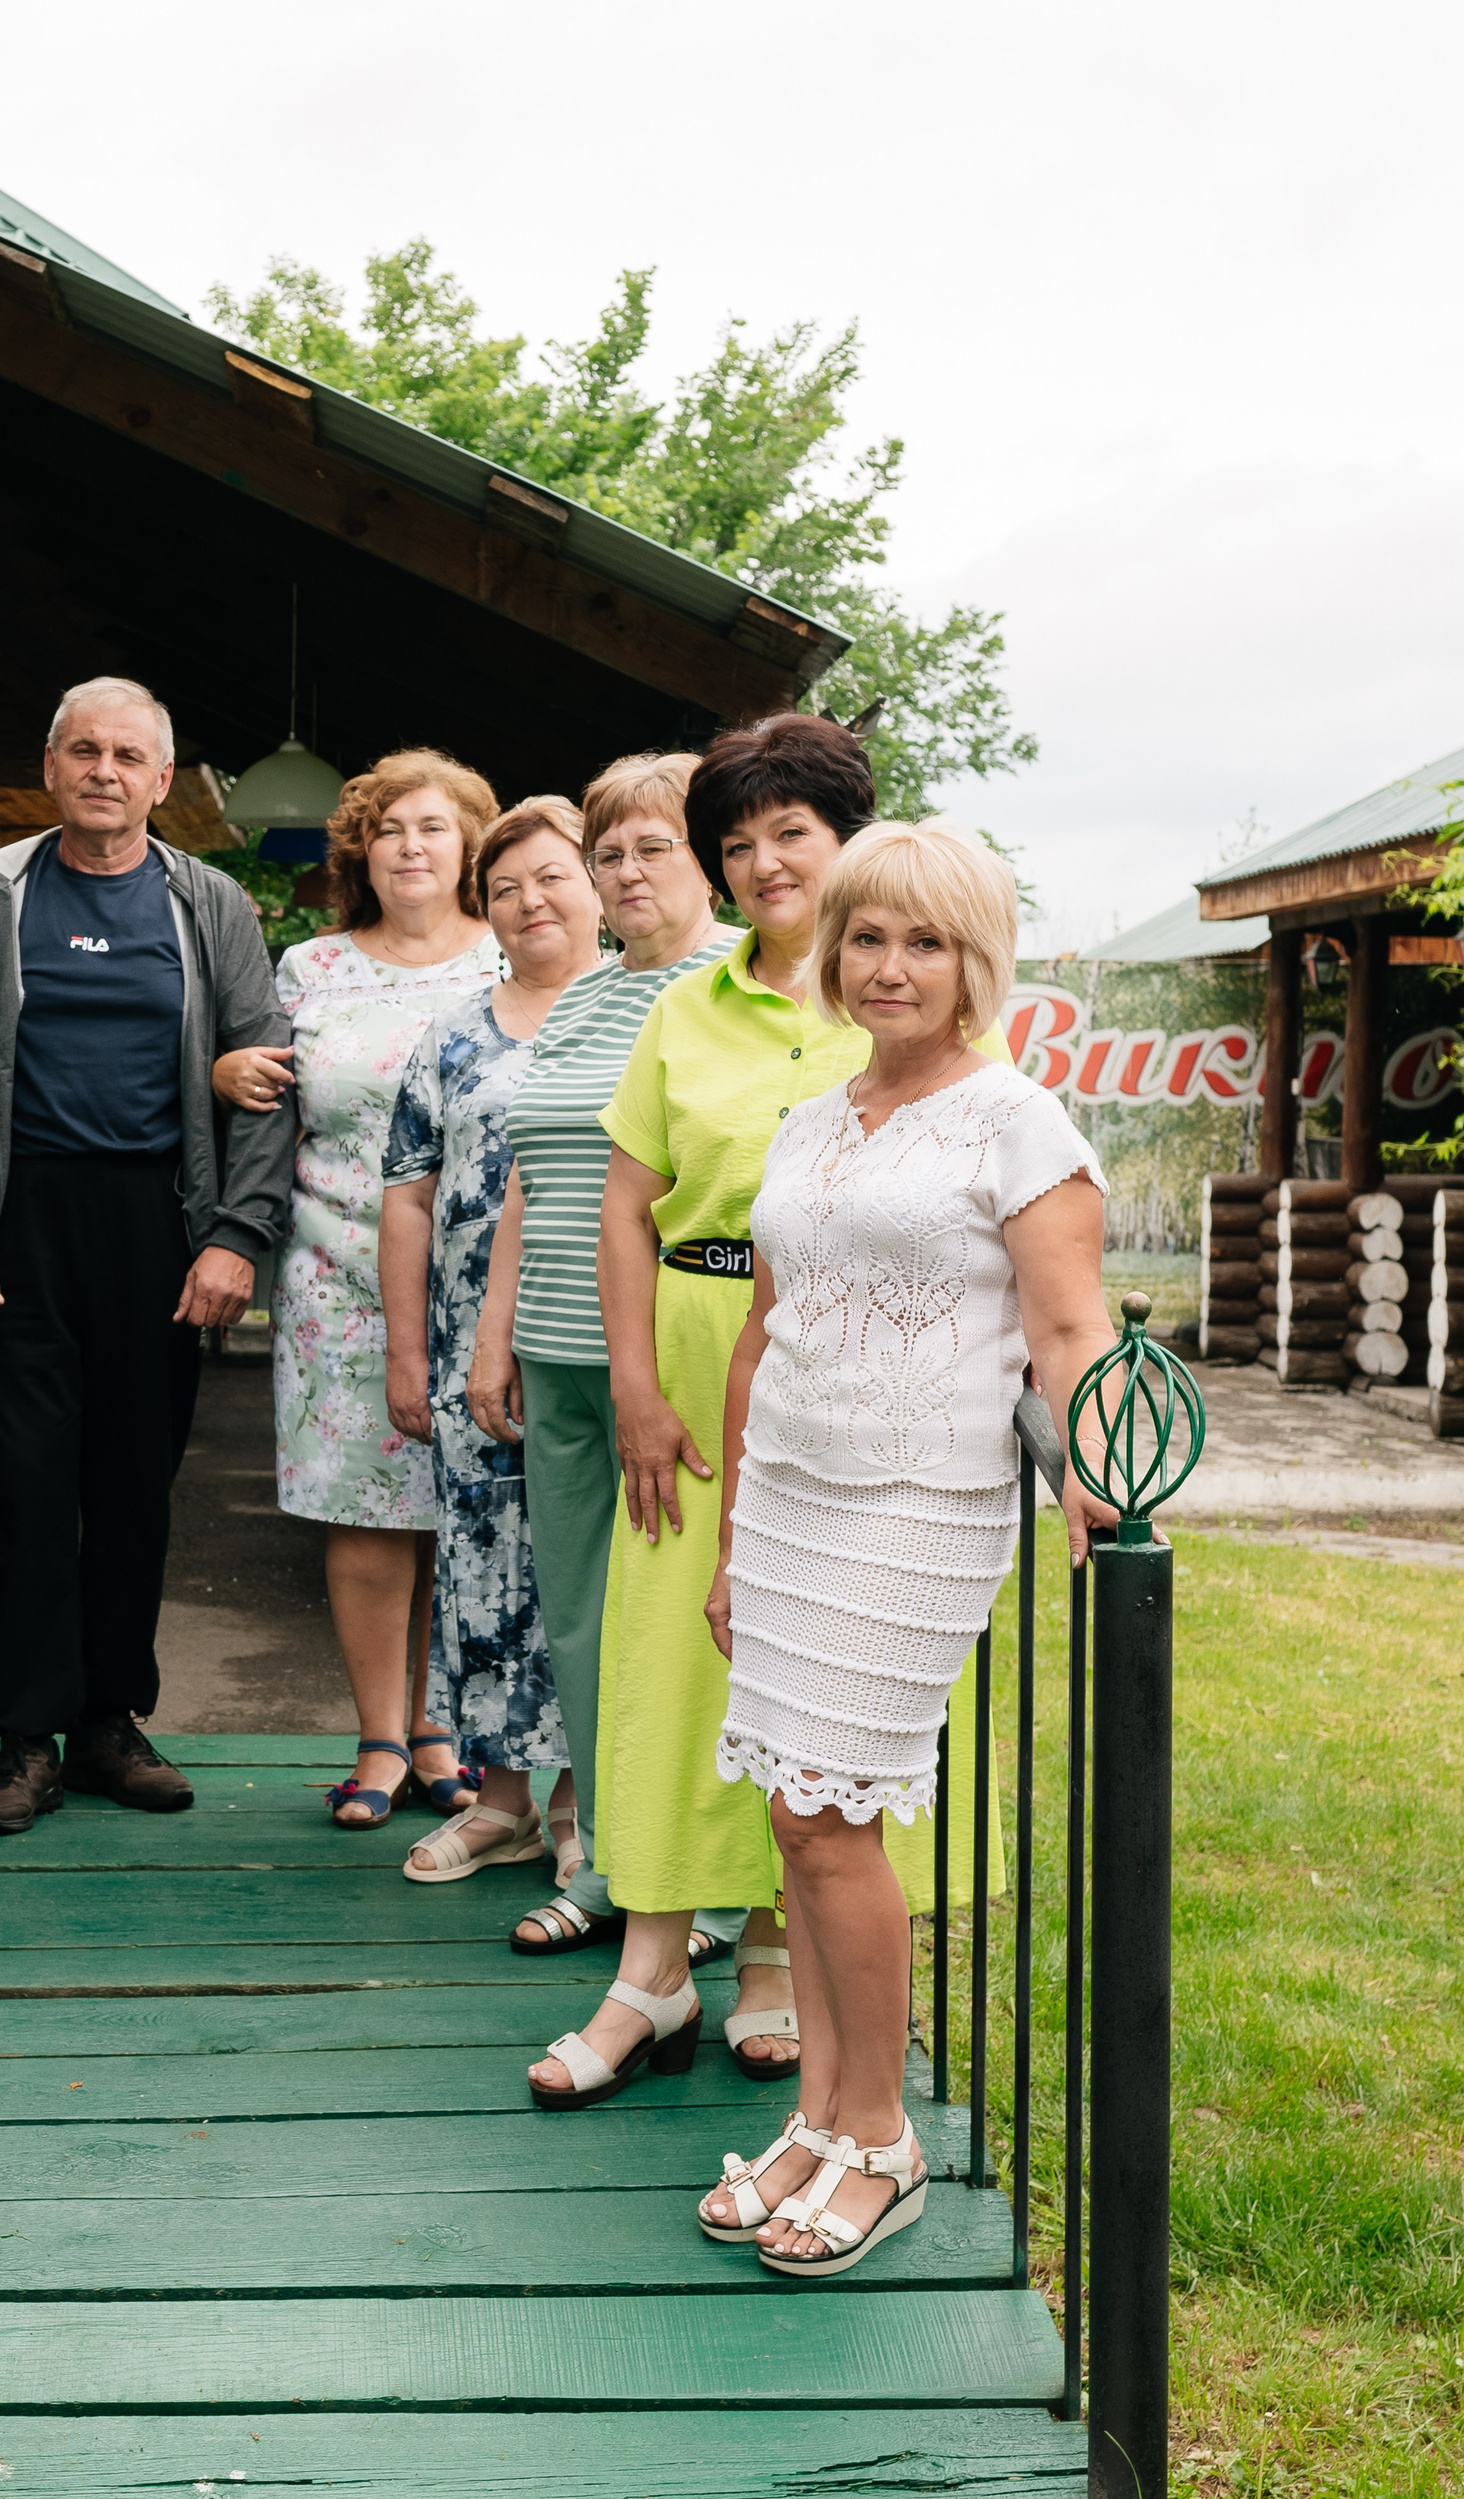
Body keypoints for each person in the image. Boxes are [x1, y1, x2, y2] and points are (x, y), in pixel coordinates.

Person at [526, 715, 999, 2112]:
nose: (764, 861)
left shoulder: (905, 995)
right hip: (690, 1340)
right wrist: (634, 1387)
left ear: (848, 838)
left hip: (848, 1372)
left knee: (816, 1673)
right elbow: (620, 1205)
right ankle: (650, 1966)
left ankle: (781, 1964)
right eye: (735, 841)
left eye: (791, 829)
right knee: (673, 1663)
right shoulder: (685, 1003)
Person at [697, 821, 1117, 2275]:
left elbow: (1071, 1328)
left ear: (974, 963)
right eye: (868, 936)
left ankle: (880, 2134)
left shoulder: (1017, 1120)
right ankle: (816, 2116)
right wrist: (737, 1544)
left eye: (924, 942)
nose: (889, 966)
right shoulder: (816, 1117)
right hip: (791, 1494)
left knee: (829, 1816)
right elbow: (766, 1328)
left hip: (919, 1499)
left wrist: (1097, 1468)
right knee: (792, 1818)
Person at [0, 676, 294, 1836]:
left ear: (161, 782)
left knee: (132, 1479)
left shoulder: (208, 902)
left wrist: (236, 1234)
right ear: (49, 768)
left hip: (159, 1222)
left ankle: (111, 1721)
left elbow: (265, 1067)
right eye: (83, 750)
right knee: (27, 1481)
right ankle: (26, 1734)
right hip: (18, 1220)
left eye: (129, 755)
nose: (104, 772)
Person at [462, 757, 732, 1951]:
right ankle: (616, 1870)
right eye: (608, 853)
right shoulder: (580, 996)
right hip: (559, 1354)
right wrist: (494, 1331)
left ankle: (717, 1892)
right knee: (581, 1623)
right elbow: (531, 1176)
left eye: (652, 848)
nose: (626, 873)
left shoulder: (732, 988)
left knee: (683, 1633)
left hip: (666, 1360)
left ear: (706, 858)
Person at [240, 750, 502, 1829]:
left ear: (470, 850)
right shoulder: (308, 968)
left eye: (434, 828)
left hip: (484, 1283)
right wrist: (228, 1070)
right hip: (336, 1275)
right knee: (363, 1507)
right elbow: (256, 1080)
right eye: (388, 829)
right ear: (361, 851)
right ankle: (381, 1738)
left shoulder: (514, 959)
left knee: (469, 1503)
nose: (410, 847)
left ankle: (449, 1728)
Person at [379, 798, 599, 1881]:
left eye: (552, 876)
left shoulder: (641, 1016)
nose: (529, 901)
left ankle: (581, 1809)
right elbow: (407, 1199)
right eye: (505, 886)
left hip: (595, 1343)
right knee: (477, 1566)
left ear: (597, 884)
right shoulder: (454, 1035)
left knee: (580, 1571)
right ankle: (498, 1799)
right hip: (471, 1353)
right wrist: (408, 1354)